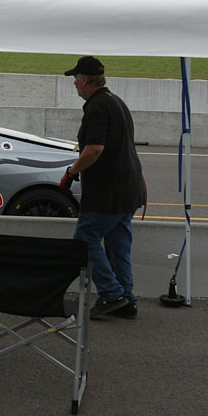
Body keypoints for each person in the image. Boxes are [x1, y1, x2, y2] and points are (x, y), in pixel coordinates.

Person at [61, 56, 146, 320]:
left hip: (107, 192)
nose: (74, 82)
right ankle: (127, 301)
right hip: (129, 189)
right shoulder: (116, 101)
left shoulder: (96, 107)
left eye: (76, 78)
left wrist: (72, 171)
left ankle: (112, 294)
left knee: (85, 238)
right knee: (118, 245)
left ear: (85, 80)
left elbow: (95, 148)